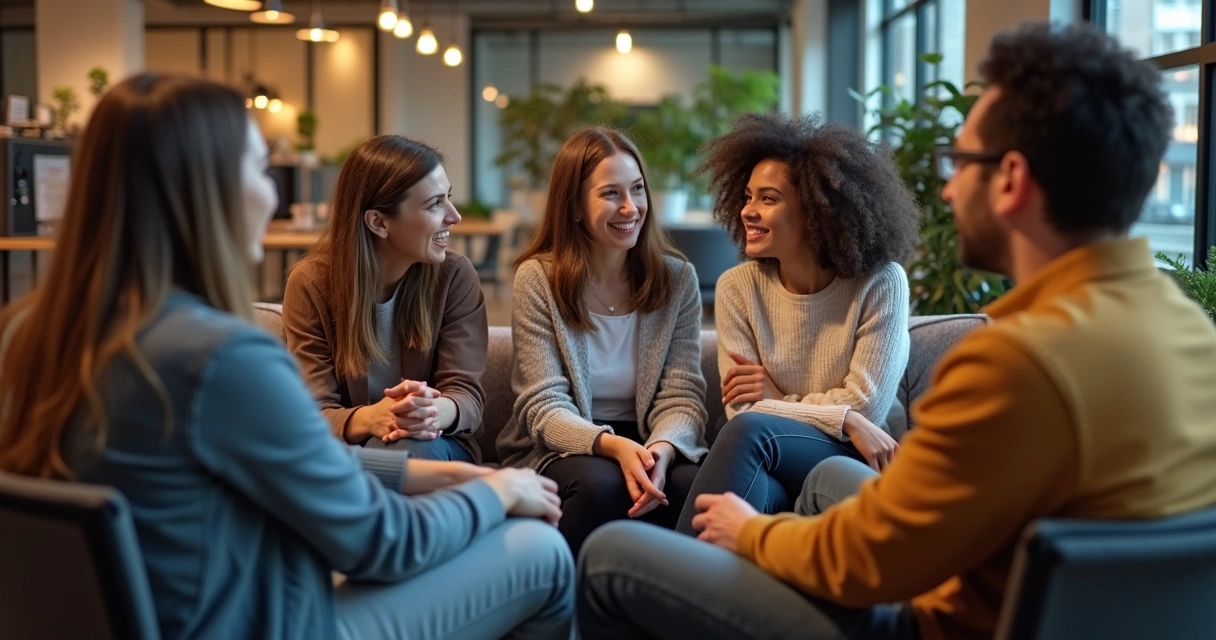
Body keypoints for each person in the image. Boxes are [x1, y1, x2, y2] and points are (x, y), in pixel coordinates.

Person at [577, 21, 1216, 640]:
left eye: (959, 160)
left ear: (1013, 180)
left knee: (608, 554)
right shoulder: (1191, 334)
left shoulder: (1015, 363)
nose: (944, 190)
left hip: (927, 620)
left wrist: (751, 534)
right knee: (828, 479)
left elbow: (871, 561)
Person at [0, 73, 573, 640]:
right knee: (542, 550)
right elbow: (382, 542)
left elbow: (291, 461)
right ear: (203, 191)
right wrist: (493, 492)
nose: (274, 194)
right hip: (268, 622)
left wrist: (447, 472)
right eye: (257, 169)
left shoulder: (25, 335)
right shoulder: (222, 359)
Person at [674, 112, 920, 535]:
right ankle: (705, 589)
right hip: (791, 447)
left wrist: (782, 398)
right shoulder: (738, 288)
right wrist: (841, 416)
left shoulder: (881, 283)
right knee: (757, 478)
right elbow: (741, 408)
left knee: (755, 432)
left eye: (767, 199)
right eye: (747, 197)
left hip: (855, 456)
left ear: (816, 211)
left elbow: (866, 406)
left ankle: (668, 580)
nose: (748, 211)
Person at [496, 126, 708, 554]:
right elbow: (543, 405)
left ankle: (673, 613)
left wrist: (661, 453)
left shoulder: (677, 279)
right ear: (574, 206)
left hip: (653, 438)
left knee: (694, 490)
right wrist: (612, 446)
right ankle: (572, 613)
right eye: (610, 193)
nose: (630, 207)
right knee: (601, 487)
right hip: (566, 443)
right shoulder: (538, 280)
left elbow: (683, 396)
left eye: (637, 189)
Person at [283, 135, 486, 462]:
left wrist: (429, 410)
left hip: (434, 445)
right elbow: (312, 413)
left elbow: (467, 398)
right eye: (435, 204)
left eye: (447, 198)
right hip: (346, 454)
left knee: (407, 447)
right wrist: (374, 417)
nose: (454, 216)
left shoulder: (454, 277)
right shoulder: (311, 284)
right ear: (378, 222)